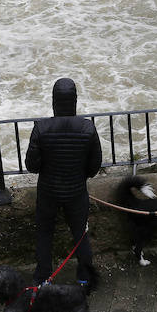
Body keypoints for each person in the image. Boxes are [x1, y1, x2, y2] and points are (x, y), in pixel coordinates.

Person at [25, 78, 102, 287]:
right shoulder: (87, 128)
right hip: (76, 191)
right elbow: (95, 164)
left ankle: (43, 279)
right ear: (75, 101)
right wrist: (80, 176)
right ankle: (85, 278)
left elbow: (32, 165)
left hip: (48, 191)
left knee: (44, 234)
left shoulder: (41, 128)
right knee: (80, 233)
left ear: (54, 101)